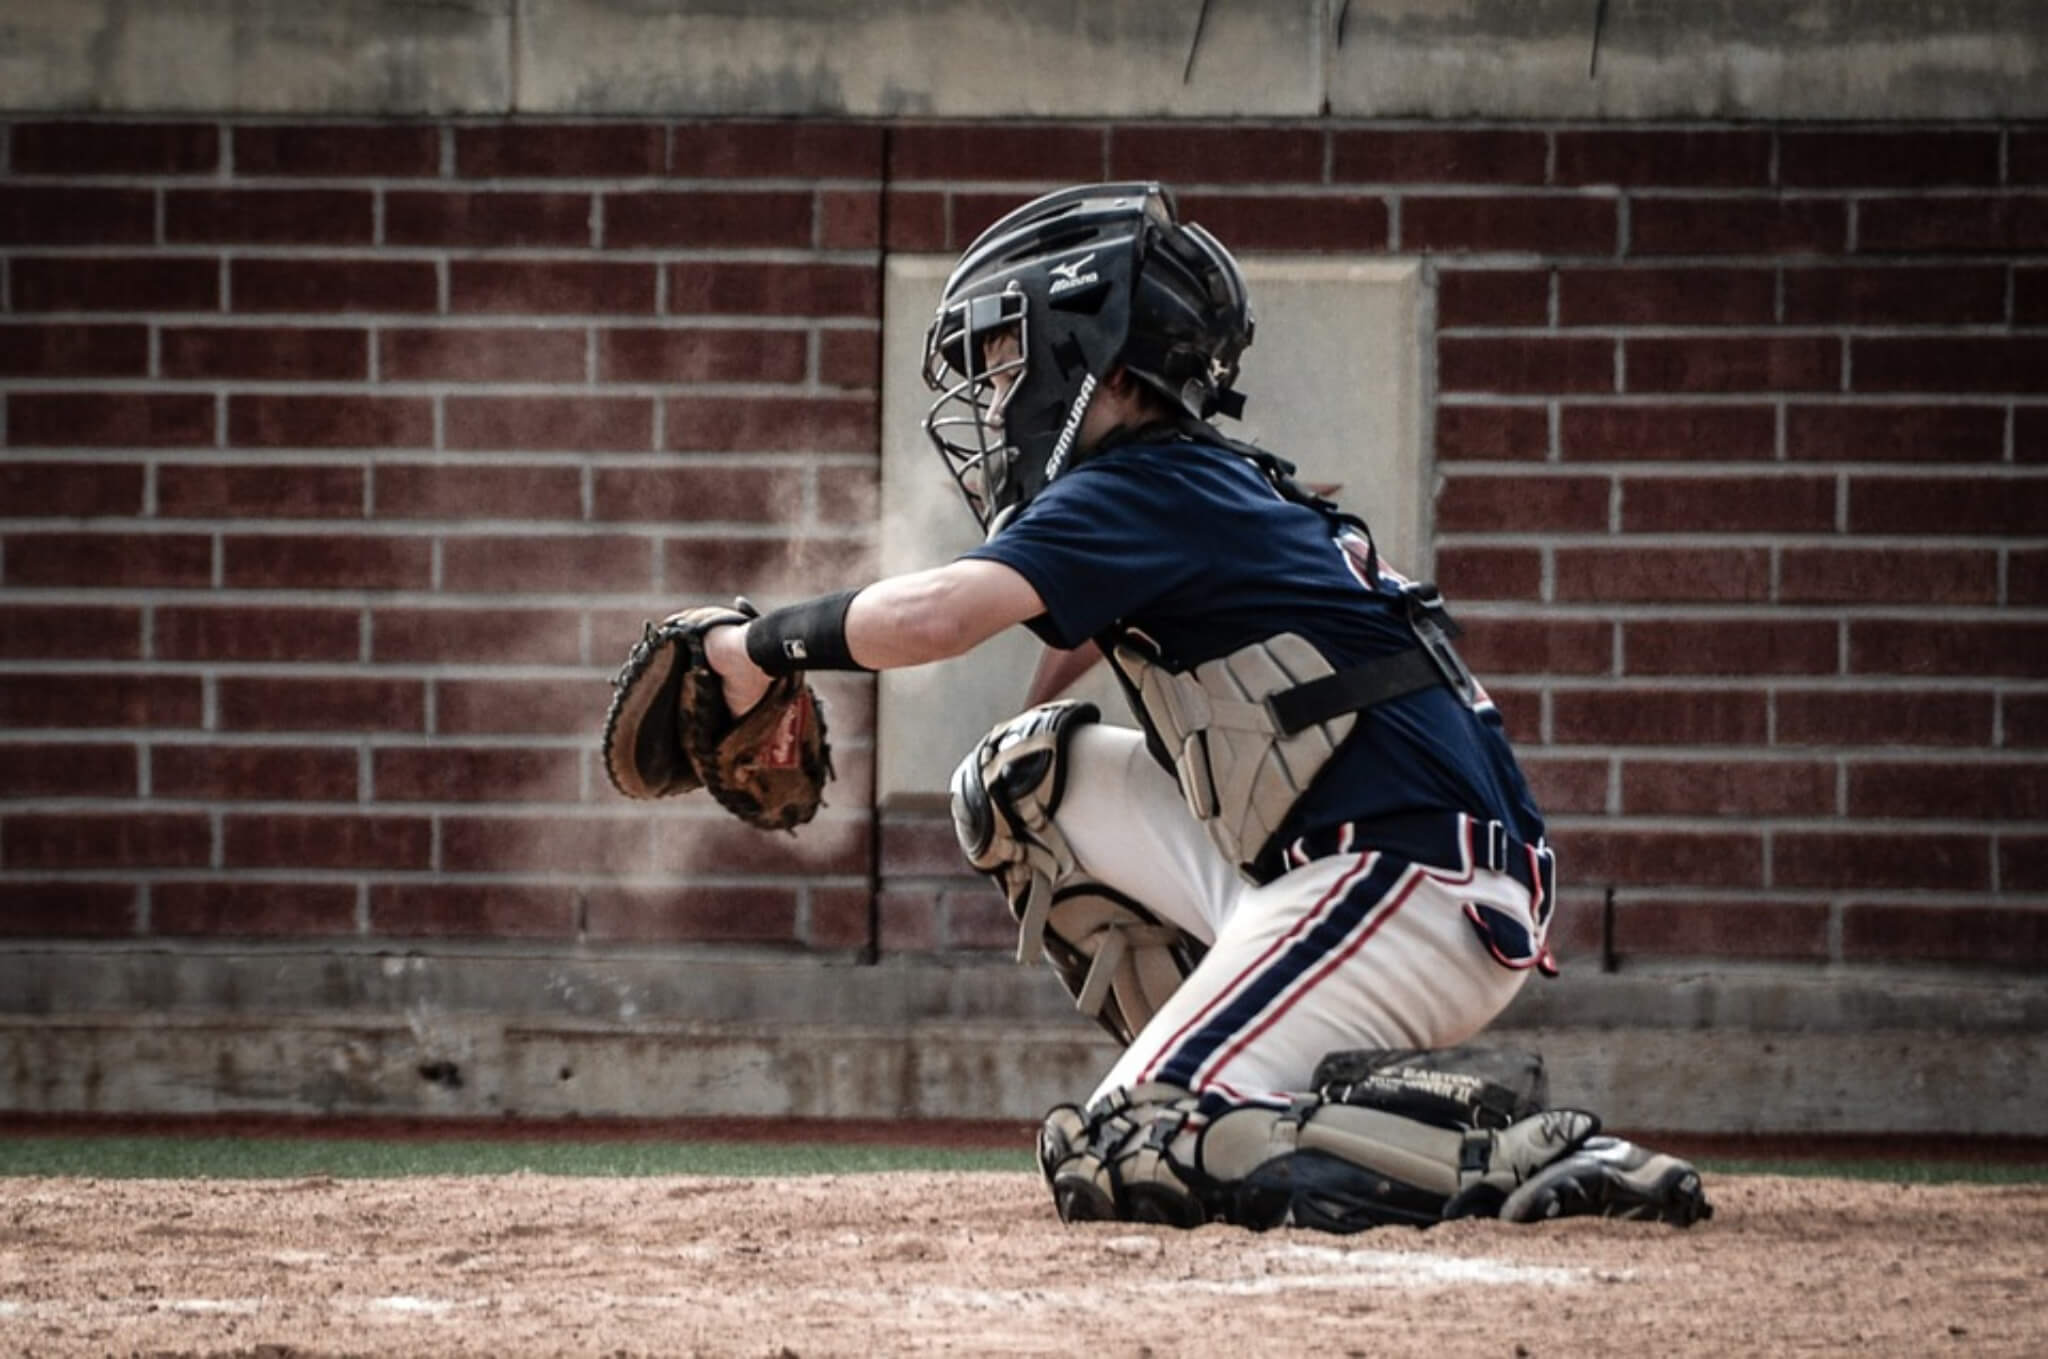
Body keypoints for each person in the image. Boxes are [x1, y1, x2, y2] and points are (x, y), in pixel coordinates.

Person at [702, 182, 1708, 1232]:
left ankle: (1488, 1152)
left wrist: (755, 646)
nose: (996, 394)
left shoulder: (1145, 485)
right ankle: (1232, 1083)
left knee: (1123, 1144)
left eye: (1009, 359)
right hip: (1373, 864)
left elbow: (936, 619)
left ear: (1091, 351)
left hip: (1402, 884)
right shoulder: (1189, 482)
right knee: (1017, 784)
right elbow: (1087, 624)